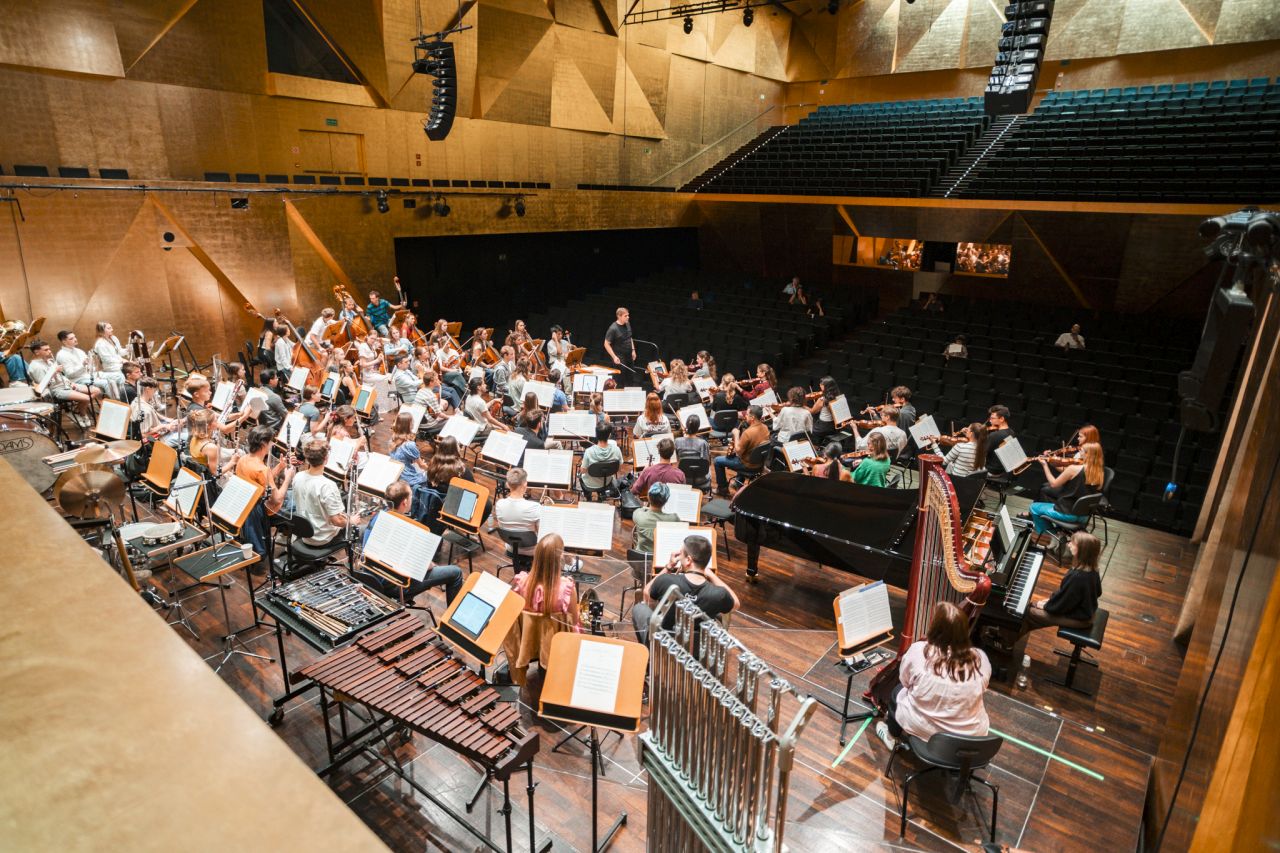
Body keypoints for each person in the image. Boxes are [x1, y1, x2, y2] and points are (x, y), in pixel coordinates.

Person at [875, 601, 991, 749]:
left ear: (935, 628)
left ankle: (891, 737)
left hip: (925, 729)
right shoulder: (981, 659)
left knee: (897, 692)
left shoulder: (918, 651)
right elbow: (983, 688)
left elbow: (905, 682)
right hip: (970, 736)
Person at [355, 481, 464, 604]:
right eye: (411, 495)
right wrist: (431, 565)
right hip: (395, 584)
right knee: (456, 573)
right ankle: (451, 615)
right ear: (405, 502)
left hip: (371, 577)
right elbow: (417, 567)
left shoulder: (378, 516)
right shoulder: (404, 529)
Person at [631, 535, 738, 647]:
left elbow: (647, 591)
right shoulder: (719, 594)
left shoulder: (666, 580)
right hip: (694, 649)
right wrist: (710, 574)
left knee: (639, 608)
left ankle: (647, 650)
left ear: (688, 560)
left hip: (662, 644)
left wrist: (669, 567)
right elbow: (736, 604)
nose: (679, 557)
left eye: (681, 554)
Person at [1020, 531, 1103, 636]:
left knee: (1028, 612)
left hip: (1081, 619)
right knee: (1033, 606)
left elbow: (1063, 604)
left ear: (1082, 550)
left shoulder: (1078, 577)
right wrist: (1050, 601)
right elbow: (1097, 592)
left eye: (1073, 543)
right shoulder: (1093, 569)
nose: (1068, 544)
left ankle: (1009, 642)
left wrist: (1047, 606)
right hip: (1087, 612)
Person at [292, 438, 366, 547]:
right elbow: (337, 521)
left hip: (304, 534)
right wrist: (351, 521)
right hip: (322, 538)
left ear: (307, 458)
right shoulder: (327, 485)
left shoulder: (297, 476)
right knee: (364, 530)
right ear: (326, 459)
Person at [1026, 442, 1105, 534]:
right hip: (1084, 516)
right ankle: (1060, 532)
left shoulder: (1073, 469)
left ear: (1088, 454)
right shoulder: (1100, 472)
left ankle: (1049, 535)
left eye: (1081, 450)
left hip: (1067, 514)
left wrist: (1044, 465)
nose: (1079, 452)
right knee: (1050, 497)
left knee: (1034, 507)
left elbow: (1053, 484)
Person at [510, 533, 581, 630]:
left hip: (527, 636)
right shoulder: (567, 589)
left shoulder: (521, 582)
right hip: (557, 637)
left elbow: (514, 614)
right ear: (560, 558)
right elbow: (574, 622)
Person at [26, 338, 97, 427]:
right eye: (46, 350)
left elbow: (61, 376)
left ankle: (76, 411)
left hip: (66, 385)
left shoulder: (49, 361)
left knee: (96, 391)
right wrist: (54, 372)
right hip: (56, 390)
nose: (49, 351)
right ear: (37, 352)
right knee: (87, 398)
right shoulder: (35, 366)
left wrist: (70, 383)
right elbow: (43, 385)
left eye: (49, 349)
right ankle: (82, 414)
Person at [714, 405, 769, 495]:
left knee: (717, 461)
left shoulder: (748, 433)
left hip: (747, 465)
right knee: (743, 454)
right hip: (759, 464)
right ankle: (738, 482)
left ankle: (722, 489)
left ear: (752, 417)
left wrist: (736, 435)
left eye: (747, 414)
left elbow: (739, 451)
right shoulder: (765, 428)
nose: (745, 416)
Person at [494, 467, 542, 563]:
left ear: (507, 484)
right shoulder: (534, 507)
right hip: (532, 550)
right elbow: (542, 533)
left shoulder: (499, 504)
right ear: (525, 484)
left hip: (511, 548)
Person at [55, 330, 111, 398]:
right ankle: (114, 402)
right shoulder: (62, 355)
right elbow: (70, 374)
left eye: (75, 337)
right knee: (106, 383)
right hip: (77, 380)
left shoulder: (79, 351)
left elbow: (89, 366)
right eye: (71, 338)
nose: (75, 339)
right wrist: (83, 365)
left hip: (88, 375)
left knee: (116, 377)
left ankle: (119, 400)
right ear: (64, 342)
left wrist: (92, 365)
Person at [631, 482, 681, 555]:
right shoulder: (674, 519)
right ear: (666, 500)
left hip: (642, 556)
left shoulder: (638, 514)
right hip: (662, 556)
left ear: (648, 496)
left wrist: (646, 508)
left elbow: (640, 510)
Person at [92, 322, 129, 399]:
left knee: (135, 368)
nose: (112, 329)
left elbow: (119, 352)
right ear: (102, 330)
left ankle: (130, 394)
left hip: (118, 363)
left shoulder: (113, 338)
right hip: (110, 367)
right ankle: (122, 397)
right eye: (109, 328)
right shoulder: (100, 343)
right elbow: (107, 359)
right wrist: (121, 360)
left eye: (111, 327)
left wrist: (128, 350)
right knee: (127, 372)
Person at [581, 424, 623, 492]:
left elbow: (583, 471)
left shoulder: (588, 451)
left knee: (580, 477)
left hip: (590, 484)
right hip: (607, 482)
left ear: (596, 435)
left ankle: (588, 496)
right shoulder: (616, 449)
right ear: (609, 435)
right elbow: (619, 468)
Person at [983, 405, 1015, 475]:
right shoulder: (1011, 432)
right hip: (1002, 469)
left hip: (990, 470)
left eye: (992, 418)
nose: (990, 420)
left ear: (1001, 419)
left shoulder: (995, 435)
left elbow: (981, 451)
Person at [603, 306, 636, 375]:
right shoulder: (613, 328)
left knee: (630, 377)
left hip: (629, 356)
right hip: (620, 357)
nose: (628, 317)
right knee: (620, 378)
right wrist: (614, 357)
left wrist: (633, 350)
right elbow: (606, 344)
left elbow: (630, 337)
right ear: (619, 316)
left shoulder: (627, 324)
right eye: (625, 316)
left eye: (628, 315)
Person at [808, 376, 841, 444]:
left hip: (822, 427)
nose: (820, 385)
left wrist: (802, 405)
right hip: (834, 427)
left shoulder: (822, 400)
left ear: (826, 386)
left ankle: (815, 445)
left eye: (821, 384)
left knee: (809, 430)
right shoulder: (838, 397)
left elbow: (812, 411)